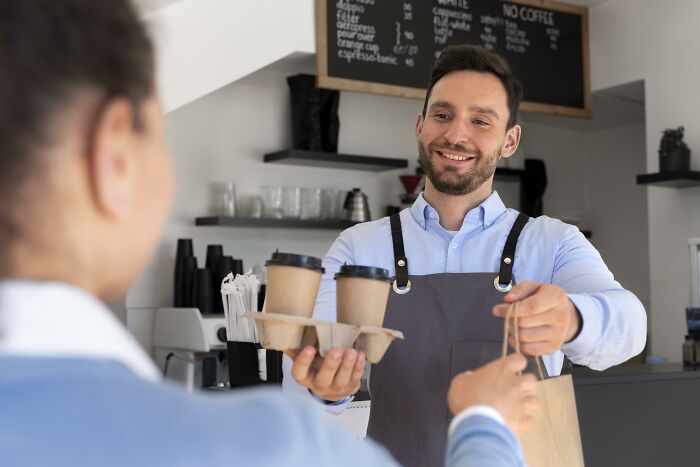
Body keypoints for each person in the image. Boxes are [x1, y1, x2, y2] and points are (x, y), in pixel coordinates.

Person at [0, 2, 539, 466]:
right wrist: (483, 421)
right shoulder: (262, 447)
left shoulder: (546, 240)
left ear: (508, 139)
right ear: (112, 156)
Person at [285, 44, 648, 467]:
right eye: (442, 115)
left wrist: (573, 318)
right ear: (420, 125)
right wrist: (323, 390)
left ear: (510, 139)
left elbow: (631, 326)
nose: (456, 135)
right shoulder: (359, 247)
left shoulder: (552, 242)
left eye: (480, 121)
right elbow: (303, 382)